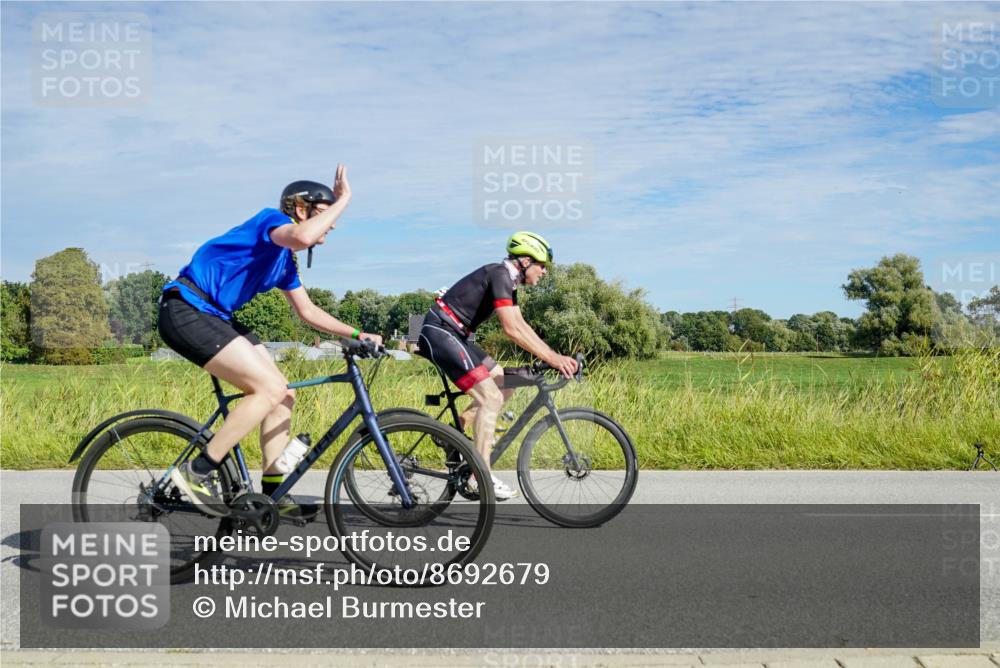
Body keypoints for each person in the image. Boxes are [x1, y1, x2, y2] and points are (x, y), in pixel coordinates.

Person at [159, 165, 382, 517]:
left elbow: (307, 312)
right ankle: (197, 472)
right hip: (187, 308)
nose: (333, 224)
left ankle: (274, 492)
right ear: (299, 209)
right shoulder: (269, 222)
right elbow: (303, 237)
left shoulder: (285, 263)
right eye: (324, 214)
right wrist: (346, 200)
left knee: (284, 393)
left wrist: (357, 334)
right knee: (267, 389)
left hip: (216, 315)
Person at [416, 231, 578, 500]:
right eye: (542, 265)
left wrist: (551, 354)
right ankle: (480, 475)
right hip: (441, 333)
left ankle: (451, 432)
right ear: (525, 261)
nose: (545, 272)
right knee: (490, 397)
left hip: (456, 335)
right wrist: (553, 359)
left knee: (504, 381)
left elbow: (521, 324)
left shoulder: (507, 281)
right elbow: (511, 330)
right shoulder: (500, 274)